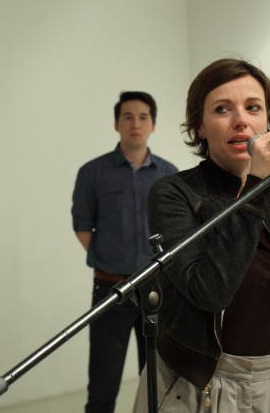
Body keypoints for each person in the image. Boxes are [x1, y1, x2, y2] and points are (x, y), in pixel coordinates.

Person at [133, 59, 270, 413]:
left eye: (253, 107)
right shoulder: (174, 194)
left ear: (268, 121)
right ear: (199, 127)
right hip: (192, 383)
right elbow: (210, 291)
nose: (241, 120)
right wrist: (256, 184)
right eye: (222, 109)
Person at [72, 91, 178, 413]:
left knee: (158, 383)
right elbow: (82, 226)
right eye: (128, 116)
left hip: (156, 291)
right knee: (102, 385)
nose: (135, 123)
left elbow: (176, 231)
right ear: (116, 123)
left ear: (153, 125)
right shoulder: (92, 173)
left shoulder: (168, 175)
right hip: (110, 290)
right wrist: (112, 260)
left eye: (143, 117)